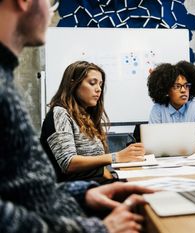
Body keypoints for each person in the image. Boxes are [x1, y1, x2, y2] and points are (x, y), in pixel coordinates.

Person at [0, 0, 153, 232]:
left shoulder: (6, 80)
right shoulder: (57, 112)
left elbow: (26, 192)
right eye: (50, 1)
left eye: (100, 84)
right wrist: (99, 229)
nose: (52, 11)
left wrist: (83, 195)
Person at [40, 61, 145, 182]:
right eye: (92, 83)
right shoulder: (60, 113)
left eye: (100, 84)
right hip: (75, 191)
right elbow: (68, 163)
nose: (98, 89)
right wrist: (116, 157)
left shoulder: (85, 116)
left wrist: (111, 175)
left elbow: (96, 165)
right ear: (73, 84)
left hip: (93, 184)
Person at [147, 60, 195, 152]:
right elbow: (153, 145)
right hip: (164, 163)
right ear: (167, 90)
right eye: (177, 86)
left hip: (192, 162)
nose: (183, 90)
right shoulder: (157, 110)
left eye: (186, 85)